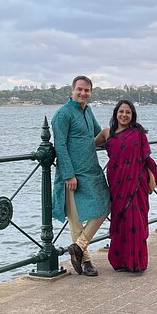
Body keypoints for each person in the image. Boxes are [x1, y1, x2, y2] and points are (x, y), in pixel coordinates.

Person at [51, 75, 109, 277]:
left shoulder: (87, 111)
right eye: (80, 90)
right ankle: (86, 262)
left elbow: (98, 136)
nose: (83, 93)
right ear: (72, 90)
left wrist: (119, 138)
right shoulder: (63, 114)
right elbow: (60, 145)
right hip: (73, 174)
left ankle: (78, 246)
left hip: (91, 170)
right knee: (75, 220)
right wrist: (68, 175)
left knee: (105, 205)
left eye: (87, 90)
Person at [95, 100, 156, 272]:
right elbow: (89, 145)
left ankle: (137, 262)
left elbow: (146, 159)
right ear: (115, 114)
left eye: (128, 112)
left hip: (136, 183)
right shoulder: (107, 133)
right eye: (121, 111)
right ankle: (121, 261)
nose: (124, 115)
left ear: (132, 116)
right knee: (120, 221)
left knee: (135, 220)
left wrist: (151, 178)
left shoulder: (138, 133)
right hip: (117, 182)